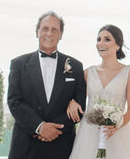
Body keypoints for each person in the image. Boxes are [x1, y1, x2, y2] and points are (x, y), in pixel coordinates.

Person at [7, 12, 87, 159]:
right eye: (45, 29)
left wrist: (53, 129)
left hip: (61, 146)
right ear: (37, 32)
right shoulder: (18, 64)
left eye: (54, 29)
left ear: (61, 34)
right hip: (26, 146)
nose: (49, 33)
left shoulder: (75, 66)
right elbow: (14, 102)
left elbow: (80, 106)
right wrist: (40, 127)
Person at [67, 24, 130, 159]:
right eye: (98, 39)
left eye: (107, 39)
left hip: (119, 133)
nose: (101, 43)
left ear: (118, 45)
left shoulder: (129, 72)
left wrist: (115, 126)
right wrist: (72, 102)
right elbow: (77, 100)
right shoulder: (87, 73)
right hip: (90, 135)